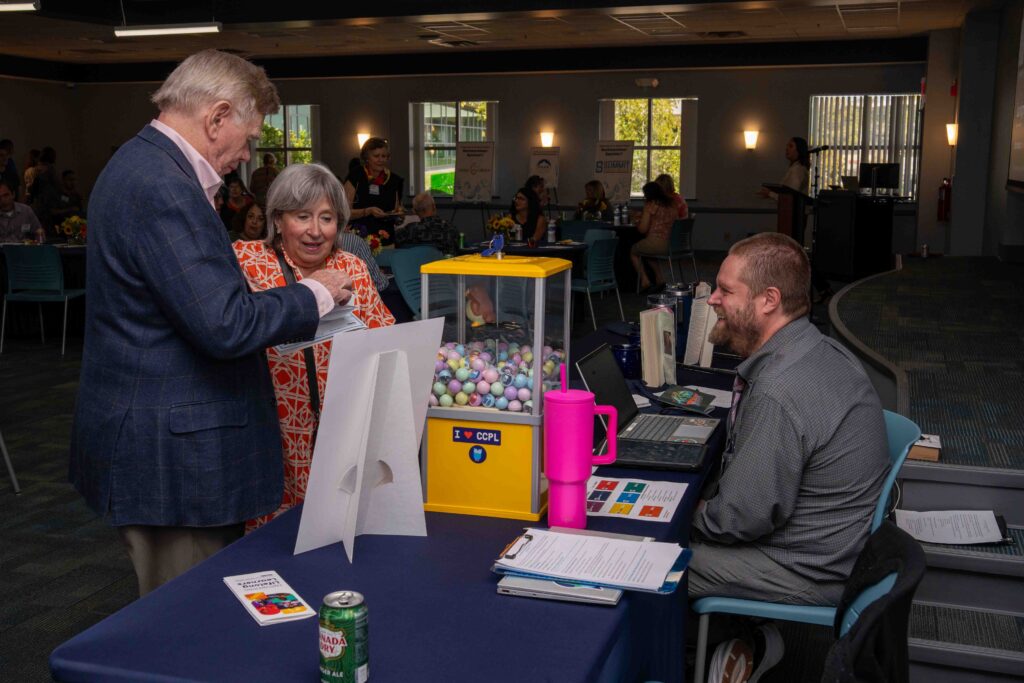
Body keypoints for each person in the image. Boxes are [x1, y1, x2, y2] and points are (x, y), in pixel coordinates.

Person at [69, 49, 354, 598]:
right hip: (173, 453)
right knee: (186, 618)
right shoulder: (161, 184)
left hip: (163, 436)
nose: (246, 154)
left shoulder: (141, 164)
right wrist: (313, 293)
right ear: (216, 117)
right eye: (247, 138)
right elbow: (223, 324)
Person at [689, 232, 888, 607]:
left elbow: (739, 519)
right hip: (838, 548)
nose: (713, 299)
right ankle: (745, 639)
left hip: (810, 569)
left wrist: (683, 509)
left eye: (725, 291)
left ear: (769, 300)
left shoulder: (777, 390)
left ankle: (736, 647)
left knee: (658, 561)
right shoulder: (818, 347)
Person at [233, 163, 395, 529]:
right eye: (302, 216)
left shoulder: (351, 266)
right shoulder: (247, 262)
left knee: (339, 530)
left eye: (326, 218)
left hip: (341, 428)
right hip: (273, 428)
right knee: (272, 536)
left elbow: (383, 336)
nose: (315, 231)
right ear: (277, 219)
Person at [344, 137, 403, 245]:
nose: (381, 160)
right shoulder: (355, 176)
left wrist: (399, 216)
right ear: (367, 158)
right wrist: (368, 211)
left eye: (384, 156)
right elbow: (344, 212)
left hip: (386, 239)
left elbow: (397, 211)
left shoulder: (394, 180)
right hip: (358, 239)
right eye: (376, 156)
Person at [630, 180, 677, 294]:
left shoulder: (651, 205)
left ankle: (645, 281)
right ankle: (660, 279)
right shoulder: (672, 204)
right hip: (672, 244)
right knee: (648, 253)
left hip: (656, 243)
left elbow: (643, 229)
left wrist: (636, 221)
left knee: (633, 251)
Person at [396, 191, 460, 255]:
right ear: (434, 207)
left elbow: (394, 240)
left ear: (415, 211)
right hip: (444, 264)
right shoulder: (450, 227)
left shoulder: (411, 229)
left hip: (417, 264)